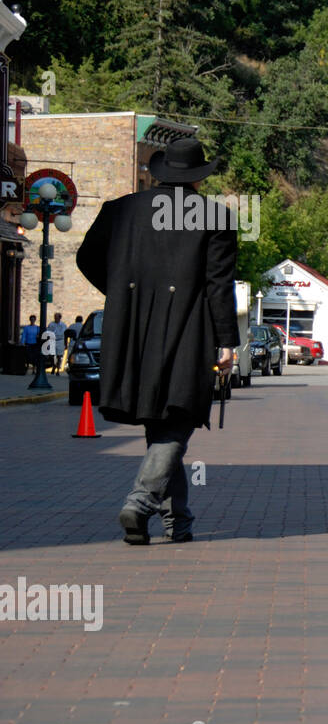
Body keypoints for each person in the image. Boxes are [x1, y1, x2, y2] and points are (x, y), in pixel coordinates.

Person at [76, 137, 238, 545]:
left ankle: (176, 523)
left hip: (131, 331)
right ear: (199, 178)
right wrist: (227, 343)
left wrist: (121, 295)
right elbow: (218, 286)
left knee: (161, 425)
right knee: (177, 421)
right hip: (188, 330)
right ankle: (140, 500)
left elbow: (86, 258)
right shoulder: (216, 217)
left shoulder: (120, 210)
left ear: (162, 174)